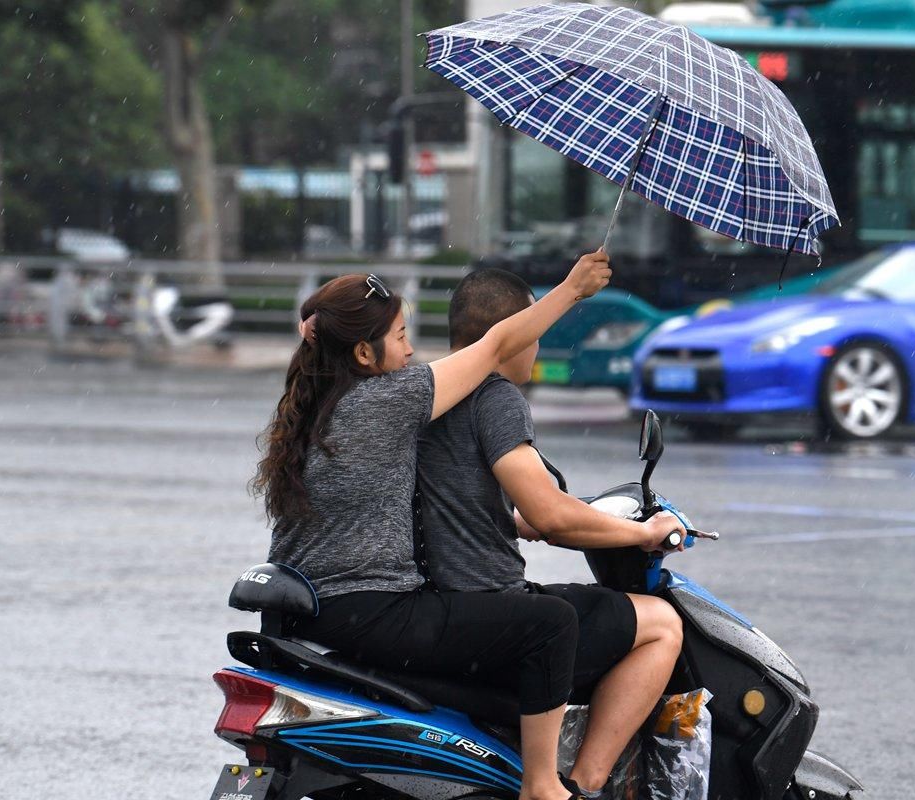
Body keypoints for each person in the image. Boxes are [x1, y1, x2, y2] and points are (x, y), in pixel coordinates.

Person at [253, 254, 611, 800]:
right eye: (400, 337)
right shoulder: (386, 400)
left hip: (318, 612)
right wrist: (571, 289)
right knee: (552, 623)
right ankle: (543, 787)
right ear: (363, 353)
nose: (411, 351)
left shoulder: (313, 406)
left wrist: (508, 521)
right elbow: (491, 348)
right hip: (374, 610)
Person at [417, 268, 685, 799]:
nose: (537, 347)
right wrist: (643, 533)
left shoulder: (426, 391)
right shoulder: (495, 397)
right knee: (661, 624)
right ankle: (580, 785)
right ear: (513, 332)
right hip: (490, 611)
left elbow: (451, 496)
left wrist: (506, 524)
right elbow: (554, 515)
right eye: (534, 332)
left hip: (433, 604)